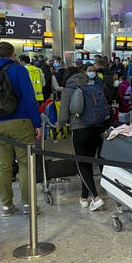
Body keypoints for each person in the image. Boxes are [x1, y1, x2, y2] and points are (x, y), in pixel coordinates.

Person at [0, 42, 43, 217]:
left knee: (3, 166)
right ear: (12, 54)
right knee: (24, 164)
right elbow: (30, 99)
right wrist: (37, 123)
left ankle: (7, 206)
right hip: (20, 123)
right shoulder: (19, 70)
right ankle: (28, 204)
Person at [58, 65, 107, 211]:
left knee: (82, 165)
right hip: (97, 128)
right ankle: (84, 197)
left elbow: (64, 116)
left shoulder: (68, 89)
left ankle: (96, 198)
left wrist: (60, 124)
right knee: (89, 163)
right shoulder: (90, 85)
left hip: (80, 129)